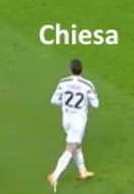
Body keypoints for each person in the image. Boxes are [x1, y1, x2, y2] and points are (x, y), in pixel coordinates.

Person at [47, 59, 98, 191]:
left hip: (66, 119)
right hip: (78, 121)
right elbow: (95, 104)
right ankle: (55, 175)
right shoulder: (87, 85)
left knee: (76, 145)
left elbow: (54, 100)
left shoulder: (63, 82)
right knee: (70, 147)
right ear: (82, 70)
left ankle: (83, 171)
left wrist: (66, 104)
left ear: (70, 69)